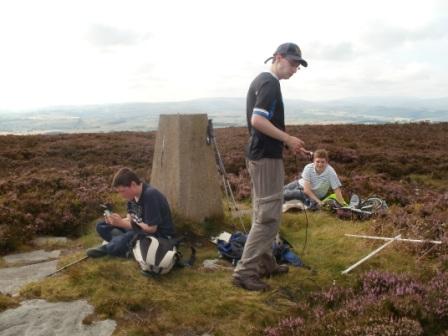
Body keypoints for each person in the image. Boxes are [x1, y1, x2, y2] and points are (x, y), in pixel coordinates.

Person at [232, 42, 308, 291]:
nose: (295, 68)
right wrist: (287, 138)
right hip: (265, 160)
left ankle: (266, 263)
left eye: (298, 64)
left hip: (264, 156)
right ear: (278, 57)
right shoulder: (269, 82)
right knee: (267, 217)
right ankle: (245, 272)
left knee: (265, 213)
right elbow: (257, 120)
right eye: (293, 62)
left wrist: (288, 145)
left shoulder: (264, 81)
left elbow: (262, 124)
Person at [86, 167, 175, 258]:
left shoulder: (150, 195)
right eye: (119, 192)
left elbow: (152, 228)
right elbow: (130, 219)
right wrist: (115, 221)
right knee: (101, 225)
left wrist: (122, 224)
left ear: (133, 184)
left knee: (131, 235)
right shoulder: (131, 196)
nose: (121, 195)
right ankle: (123, 243)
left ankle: (109, 248)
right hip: (139, 229)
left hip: (158, 236)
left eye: (123, 191)